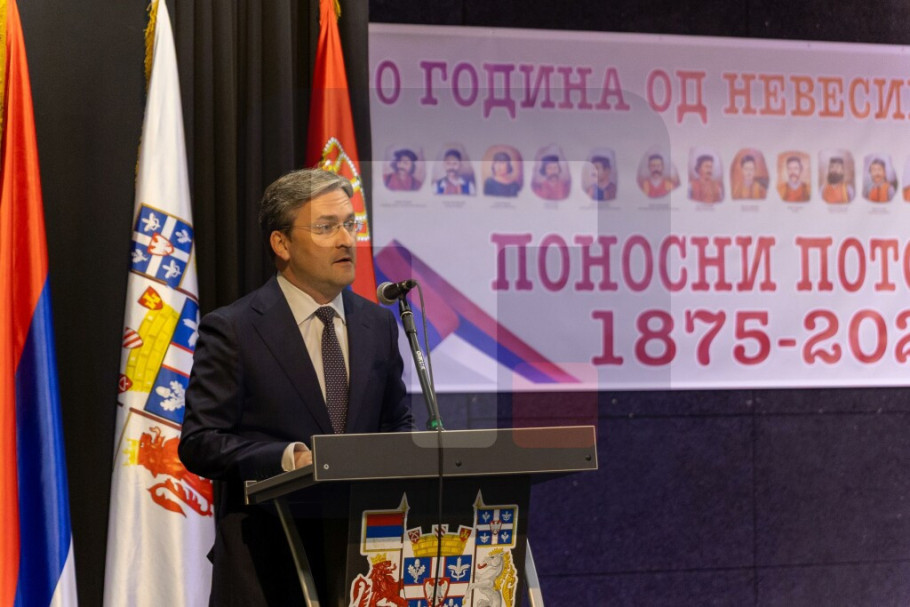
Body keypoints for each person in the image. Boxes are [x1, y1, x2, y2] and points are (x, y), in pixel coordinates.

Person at [179, 168, 414, 606]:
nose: (346, 240)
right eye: (326, 227)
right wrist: (289, 458)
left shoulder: (377, 324)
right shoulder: (234, 328)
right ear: (282, 244)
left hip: (365, 562)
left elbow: (396, 425)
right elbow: (200, 442)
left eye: (350, 225)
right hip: (268, 562)